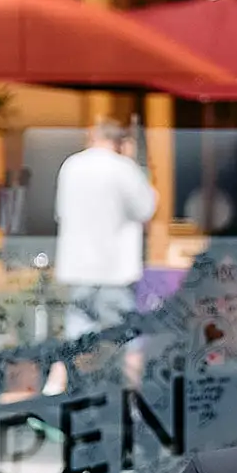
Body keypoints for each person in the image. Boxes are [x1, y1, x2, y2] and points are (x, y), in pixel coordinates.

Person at [52, 119, 156, 338]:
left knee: (78, 337)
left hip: (78, 267)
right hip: (114, 269)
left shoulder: (71, 165)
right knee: (118, 337)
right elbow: (146, 208)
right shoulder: (123, 168)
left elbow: (60, 212)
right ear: (120, 142)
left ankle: (80, 373)